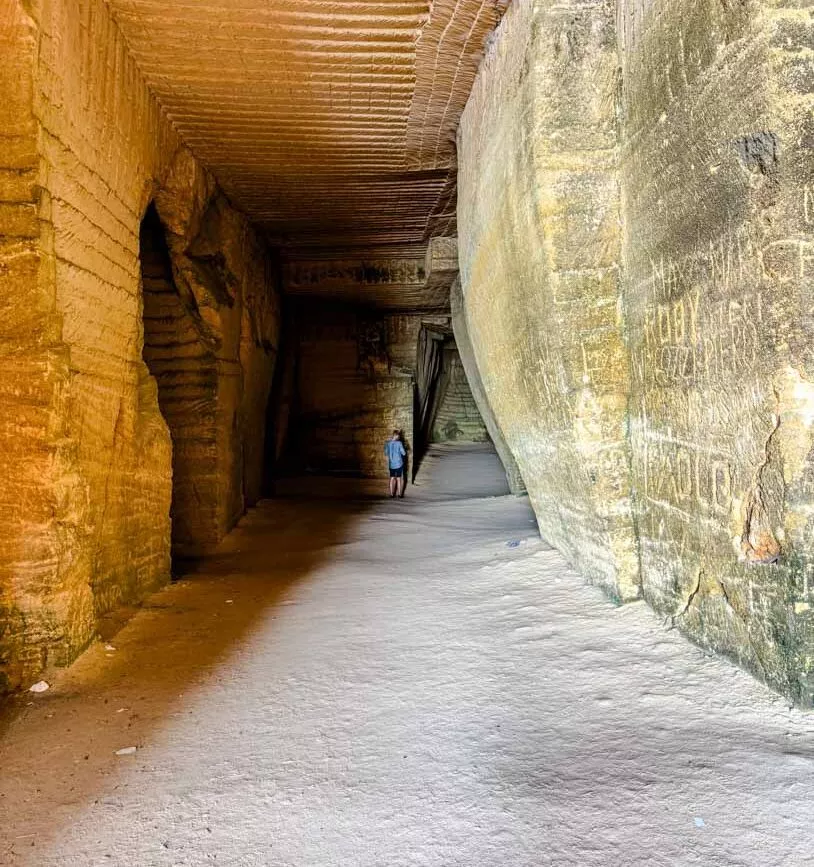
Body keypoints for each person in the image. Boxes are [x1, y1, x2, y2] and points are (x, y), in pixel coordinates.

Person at [384, 430, 407, 498]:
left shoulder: (387, 443)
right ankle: (399, 494)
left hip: (392, 464)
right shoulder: (399, 443)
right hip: (399, 464)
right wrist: (405, 448)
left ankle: (391, 494)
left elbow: (386, 453)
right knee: (399, 479)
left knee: (392, 478)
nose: (399, 437)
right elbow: (403, 453)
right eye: (398, 435)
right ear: (396, 435)